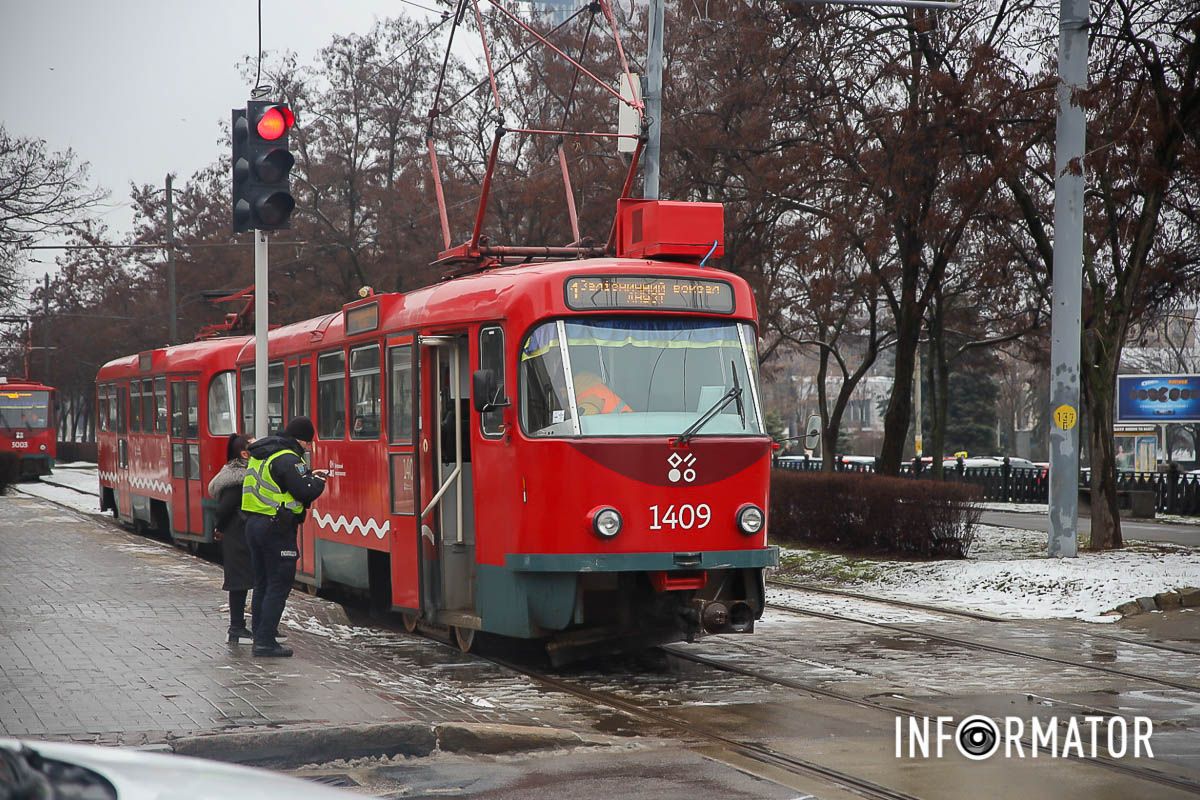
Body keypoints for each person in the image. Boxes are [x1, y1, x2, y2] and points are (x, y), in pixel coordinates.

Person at [241, 416, 327, 657]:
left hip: (254, 524)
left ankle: (259, 634)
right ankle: (266, 641)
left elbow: (279, 483)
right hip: (276, 528)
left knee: (262, 583)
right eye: (308, 443)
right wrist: (318, 481)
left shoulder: (262, 455)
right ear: (300, 440)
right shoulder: (288, 458)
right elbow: (304, 491)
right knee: (278, 585)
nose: (308, 448)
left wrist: (306, 475)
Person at [208, 434, 254, 644]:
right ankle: (236, 628)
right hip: (237, 533)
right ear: (244, 454)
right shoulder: (238, 479)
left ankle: (238, 627)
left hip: (237, 532)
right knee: (239, 582)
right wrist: (219, 526)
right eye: (254, 445)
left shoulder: (238, 475)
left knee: (241, 580)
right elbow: (225, 508)